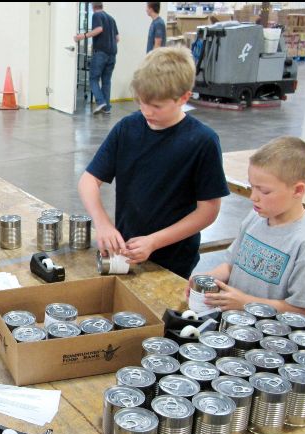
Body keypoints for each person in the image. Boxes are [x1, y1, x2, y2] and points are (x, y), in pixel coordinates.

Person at [78, 46, 229, 279]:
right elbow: (89, 180)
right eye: (141, 102)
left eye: (156, 106)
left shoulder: (202, 142)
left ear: (184, 98)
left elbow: (208, 211)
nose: (147, 111)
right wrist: (104, 224)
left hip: (174, 261)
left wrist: (154, 241)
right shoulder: (127, 129)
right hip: (127, 252)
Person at [192, 137, 305, 315]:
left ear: (298, 190)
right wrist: (208, 278)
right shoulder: (255, 218)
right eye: (252, 187)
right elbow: (231, 265)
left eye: (264, 191)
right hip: (232, 320)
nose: (253, 197)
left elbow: (302, 310)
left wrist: (246, 303)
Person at [75, 3, 119, 115]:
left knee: (93, 79)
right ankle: (107, 108)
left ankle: (101, 102)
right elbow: (117, 38)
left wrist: (83, 36)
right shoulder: (111, 18)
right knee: (106, 81)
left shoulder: (96, 16)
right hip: (112, 53)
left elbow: (99, 29)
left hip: (101, 53)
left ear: (92, 6)